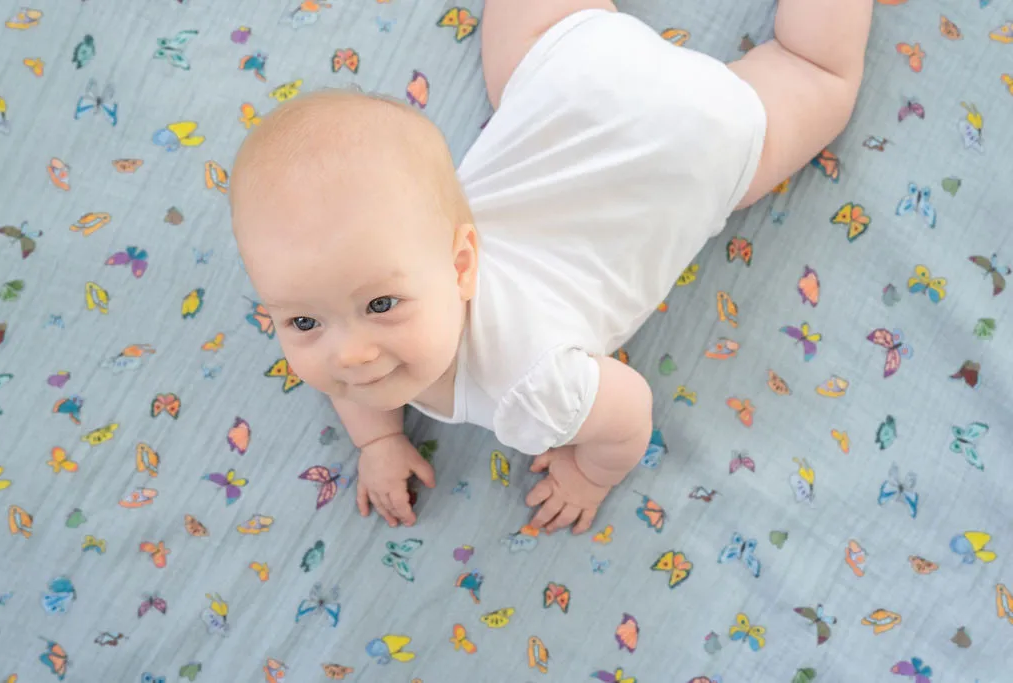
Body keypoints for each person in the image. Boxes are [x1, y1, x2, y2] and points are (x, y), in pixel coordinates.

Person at [230, 0, 873, 533]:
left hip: (692, 141)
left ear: (461, 264)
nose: (346, 356)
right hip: (570, 71)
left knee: (814, 71)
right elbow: (355, 381)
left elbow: (628, 409)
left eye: (379, 307)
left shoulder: (530, 387)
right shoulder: (384, 286)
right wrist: (378, 440)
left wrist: (590, 472)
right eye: (303, 322)